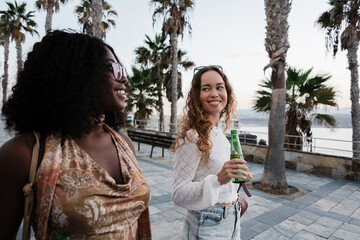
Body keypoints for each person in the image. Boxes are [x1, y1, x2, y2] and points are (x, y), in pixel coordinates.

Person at [0, 30, 151, 240]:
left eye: (121, 69)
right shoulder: (25, 153)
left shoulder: (124, 143)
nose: (124, 77)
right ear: (76, 75)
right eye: (112, 69)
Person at [171, 65, 252, 239]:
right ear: (197, 96)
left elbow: (220, 181)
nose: (214, 93)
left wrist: (238, 177)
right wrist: (218, 179)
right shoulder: (193, 137)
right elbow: (178, 194)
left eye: (219, 87)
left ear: (227, 93)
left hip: (232, 218)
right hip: (208, 222)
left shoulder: (218, 132)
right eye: (206, 88)